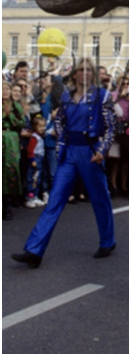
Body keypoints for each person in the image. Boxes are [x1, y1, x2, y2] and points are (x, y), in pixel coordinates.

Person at [11, 58, 117, 268]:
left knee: (100, 198)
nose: (85, 74)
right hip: (69, 152)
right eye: (81, 70)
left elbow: (111, 126)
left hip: (90, 151)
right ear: (75, 74)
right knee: (55, 200)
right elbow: (60, 121)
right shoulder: (67, 96)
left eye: (89, 70)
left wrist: (102, 151)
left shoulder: (101, 95)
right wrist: (60, 144)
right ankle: (34, 250)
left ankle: (108, 241)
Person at [2, 80, 25, 220]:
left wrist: (10, 116)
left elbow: (21, 123)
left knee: (10, 171)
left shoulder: (16, 106)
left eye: (7, 89)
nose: (5, 91)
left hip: (11, 140)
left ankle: (7, 204)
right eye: (2, 89)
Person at [24, 116, 47, 208]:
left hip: (40, 159)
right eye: (40, 126)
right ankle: (30, 198)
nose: (42, 128)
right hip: (35, 159)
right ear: (35, 127)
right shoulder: (34, 138)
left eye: (43, 126)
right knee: (32, 179)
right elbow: (30, 150)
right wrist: (32, 160)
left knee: (37, 179)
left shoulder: (40, 137)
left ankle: (35, 196)